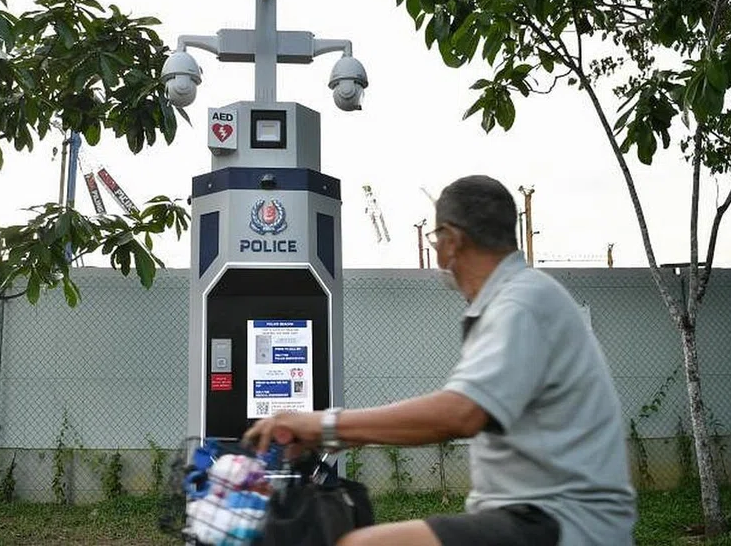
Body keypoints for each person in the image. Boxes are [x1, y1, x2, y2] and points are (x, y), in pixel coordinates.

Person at [243, 175, 637, 545]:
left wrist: (325, 425)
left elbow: (459, 413)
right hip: (532, 514)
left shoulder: (520, 304)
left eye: (435, 237)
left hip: (563, 522)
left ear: (451, 240)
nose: (436, 249)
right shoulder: (518, 298)